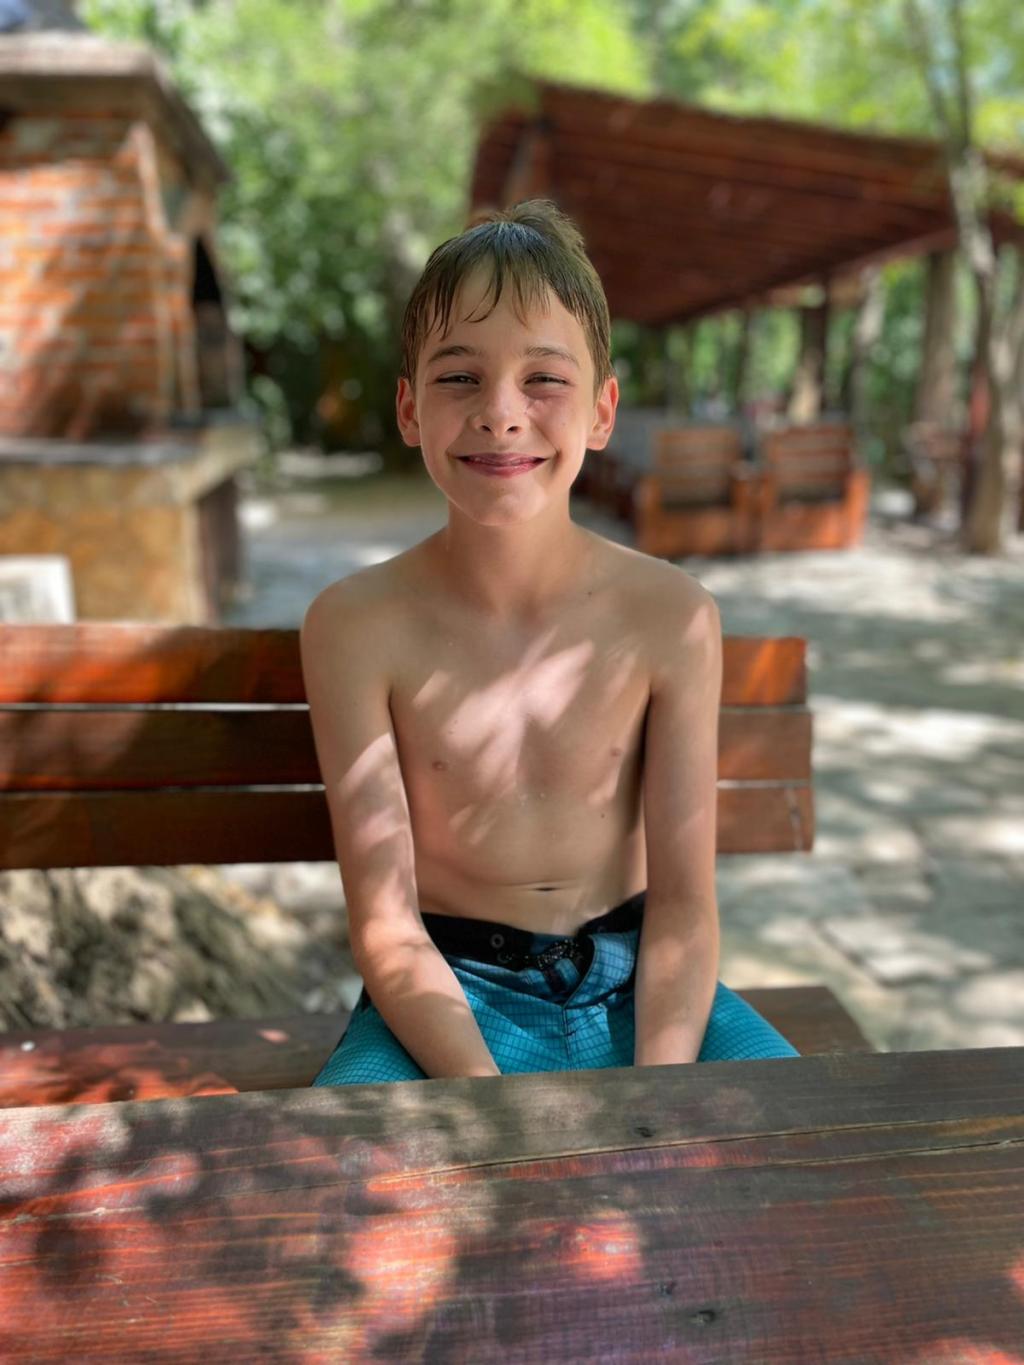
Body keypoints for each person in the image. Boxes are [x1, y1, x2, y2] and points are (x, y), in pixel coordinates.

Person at [301, 200, 798, 1086]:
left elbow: (685, 908)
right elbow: (386, 926)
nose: (500, 413)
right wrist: (492, 1106)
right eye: (460, 377)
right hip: (445, 1000)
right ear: (410, 408)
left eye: (544, 378)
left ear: (602, 411)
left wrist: (660, 1092)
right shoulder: (354, 625)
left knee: (812, 1145)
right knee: (348, 1170)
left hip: (642, 988)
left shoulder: (673, 614)